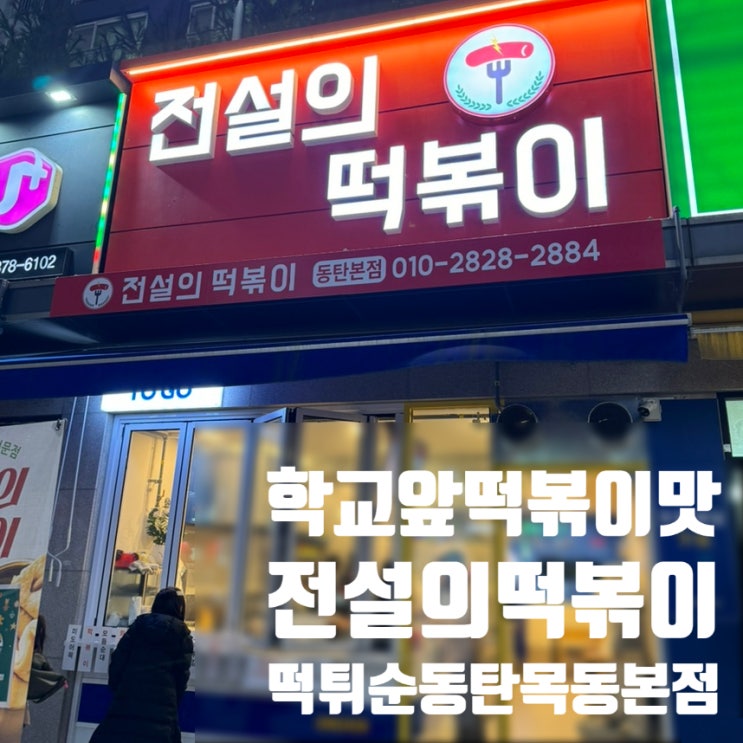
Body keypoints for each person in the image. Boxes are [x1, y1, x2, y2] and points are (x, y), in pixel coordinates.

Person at [90, 587, 193, 743]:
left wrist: (122, 691)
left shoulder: (138, 626)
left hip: (126, 708)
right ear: (180, 608)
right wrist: (169, 702)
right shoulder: (182, 635)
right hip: (161, 717)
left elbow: (117, 664)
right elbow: (181, 679)